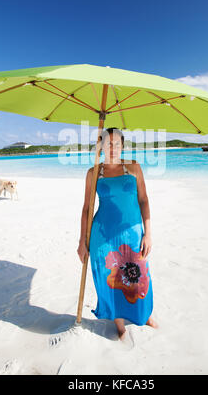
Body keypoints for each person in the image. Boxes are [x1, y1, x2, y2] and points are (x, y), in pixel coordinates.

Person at [77, 127, 158, 341]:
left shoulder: (133, 167)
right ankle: (119, 324)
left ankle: (144, 315)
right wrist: (81, 241)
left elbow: (144, 200)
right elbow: (87, 208)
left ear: (123, 146)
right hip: (103, 234)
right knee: (109, 279)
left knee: (140, 276)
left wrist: (148, 233)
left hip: (131, 232)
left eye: (117, 144)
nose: (113, 148)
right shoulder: (94, 173)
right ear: (101, 146)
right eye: (108, 143)